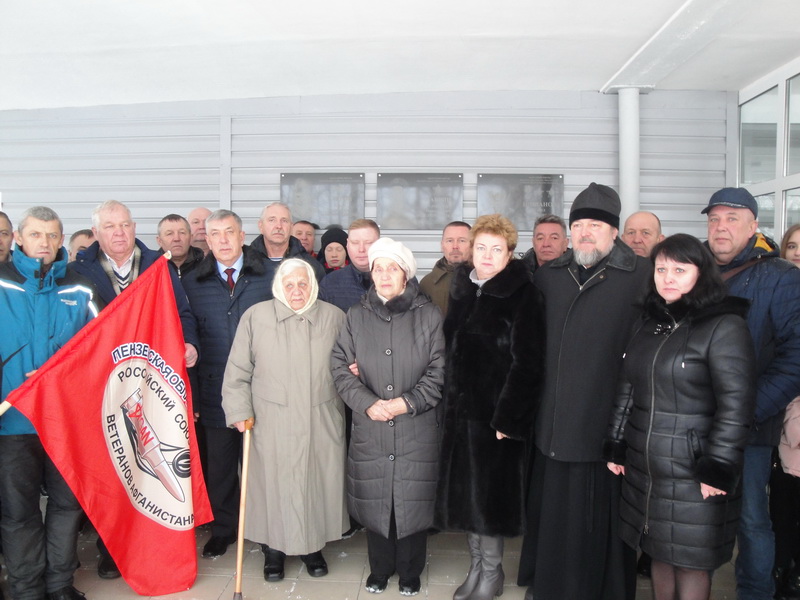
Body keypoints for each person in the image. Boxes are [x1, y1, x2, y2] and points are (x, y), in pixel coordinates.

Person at [518, 182, 650, 600]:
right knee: (554, 512)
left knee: (601, 519)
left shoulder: (642, 276)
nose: (586, 233)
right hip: (554, 420)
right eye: (578, 225)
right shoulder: (550, 276)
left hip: (607, 423)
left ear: (614, 232)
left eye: (596, 225)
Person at [605, 233, 756, 600]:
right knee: (658, 551)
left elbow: (736, 404)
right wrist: (617, 444)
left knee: (691, 562)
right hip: (648, 466)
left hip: (694, 469)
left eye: (679, 270)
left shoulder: (724, 325)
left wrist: (718, 466)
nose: (668, 278)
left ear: (700, 274)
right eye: (661, 269)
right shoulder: (650, 322)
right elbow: (628, 386)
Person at [68, 199, 199, 579]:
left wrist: (190, 343)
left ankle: (157, 542)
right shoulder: (79, 271)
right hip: (104, 386)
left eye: (125, 225)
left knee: (153, 467)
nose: (119, 233)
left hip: (152, 382)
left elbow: (182, 313)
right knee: (115, 466)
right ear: (96, 232)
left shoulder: (159, 265)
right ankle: (114, 549)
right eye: (110, 227)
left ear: (134, 227)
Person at [435, 214, 545, 600]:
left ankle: (492, 573)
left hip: (495, 420)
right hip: (460, 415)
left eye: (495, 249)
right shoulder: (464, 289)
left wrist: (508, 419)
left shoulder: (524, 295)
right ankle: (477, 567)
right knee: (467, 497)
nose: (486, 255)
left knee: (489, 501)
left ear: (509, 254)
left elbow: (528, 364)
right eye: (480, 247)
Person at [701, 187, 800, 600]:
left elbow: (795, 358)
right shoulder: (693, 269)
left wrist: (746, 411)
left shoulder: (781, 277)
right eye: (715, 219)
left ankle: (755, 593)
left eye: (732, 219)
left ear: (753, 225)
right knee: (695, 520)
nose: (721, 227)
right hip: (694, 421)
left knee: (751, 520)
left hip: (750, 429)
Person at [331, 238, 445, 596]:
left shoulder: (428, 315)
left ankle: (410, 571)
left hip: (415, 425)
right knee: (376, 497)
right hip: (372, 424)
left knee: (412, 499)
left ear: (405, 274)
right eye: (377, 268)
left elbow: (439, 371)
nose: (383, 275)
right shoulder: (356, 315)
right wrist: (368, 403)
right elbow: (339, 367)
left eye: (391, 268)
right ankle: (379, 568)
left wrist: (406, 403)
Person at [222, 258, 347, 582]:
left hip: (320, 417)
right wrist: (239, 411)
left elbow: (350, 363)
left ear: (313, 285)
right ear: (279, 286)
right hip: (270, 421)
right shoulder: (256, 317)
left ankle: (312, 547)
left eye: (302, 284)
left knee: (315, 483)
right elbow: (237, 372)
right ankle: (273, 550)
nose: (296, 291)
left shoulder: (334, 317)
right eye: (289, 284)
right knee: (272, 486)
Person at [0, 206, 99, 600]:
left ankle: (59, 584)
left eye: (52, 235)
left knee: (66, 505)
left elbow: (99, 352)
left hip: (65, 421)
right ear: (19, 238)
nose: (44, 242)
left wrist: (62, 376)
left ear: (62, 239)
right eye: (36, 234)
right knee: (18, 512)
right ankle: (26, 589)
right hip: (12, 422)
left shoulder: (80, 289)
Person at [181, 209, 275, 559]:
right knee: (220, 467)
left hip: (264, 389)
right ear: (206, 238)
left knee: (263, 466)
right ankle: (224, 529)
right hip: (215, 388)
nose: (223, 240)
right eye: (215, 234)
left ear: (242, 235)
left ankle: (267, 530)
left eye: (229, 232)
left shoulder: (268, 276)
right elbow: (187, 330)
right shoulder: (192, 281)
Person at [771, 223, 800, 599]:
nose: (797, 252)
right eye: (792, 245)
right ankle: (783, 572)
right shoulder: (779, 292)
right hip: (777, 418)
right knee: (781, 507)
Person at [251, 203, 325, 282]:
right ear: (261, 226)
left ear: (291, 227)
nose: (279, 226)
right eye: (272, 220)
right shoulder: (246, 263)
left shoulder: (311, 266)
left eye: (284, 221)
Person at [319, 219, 381, 312]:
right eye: (355, 243)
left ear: (379, 244)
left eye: (368, 243)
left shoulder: (396, 280)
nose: (361, 249)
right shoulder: (329, 283)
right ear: (347, 245)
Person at [419, 221, 471, 315]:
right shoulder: (427, 284)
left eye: (462, 240)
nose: (455, 246)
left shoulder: (482, 280)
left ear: (472, 245)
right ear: (442, 245)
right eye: (450, 241)